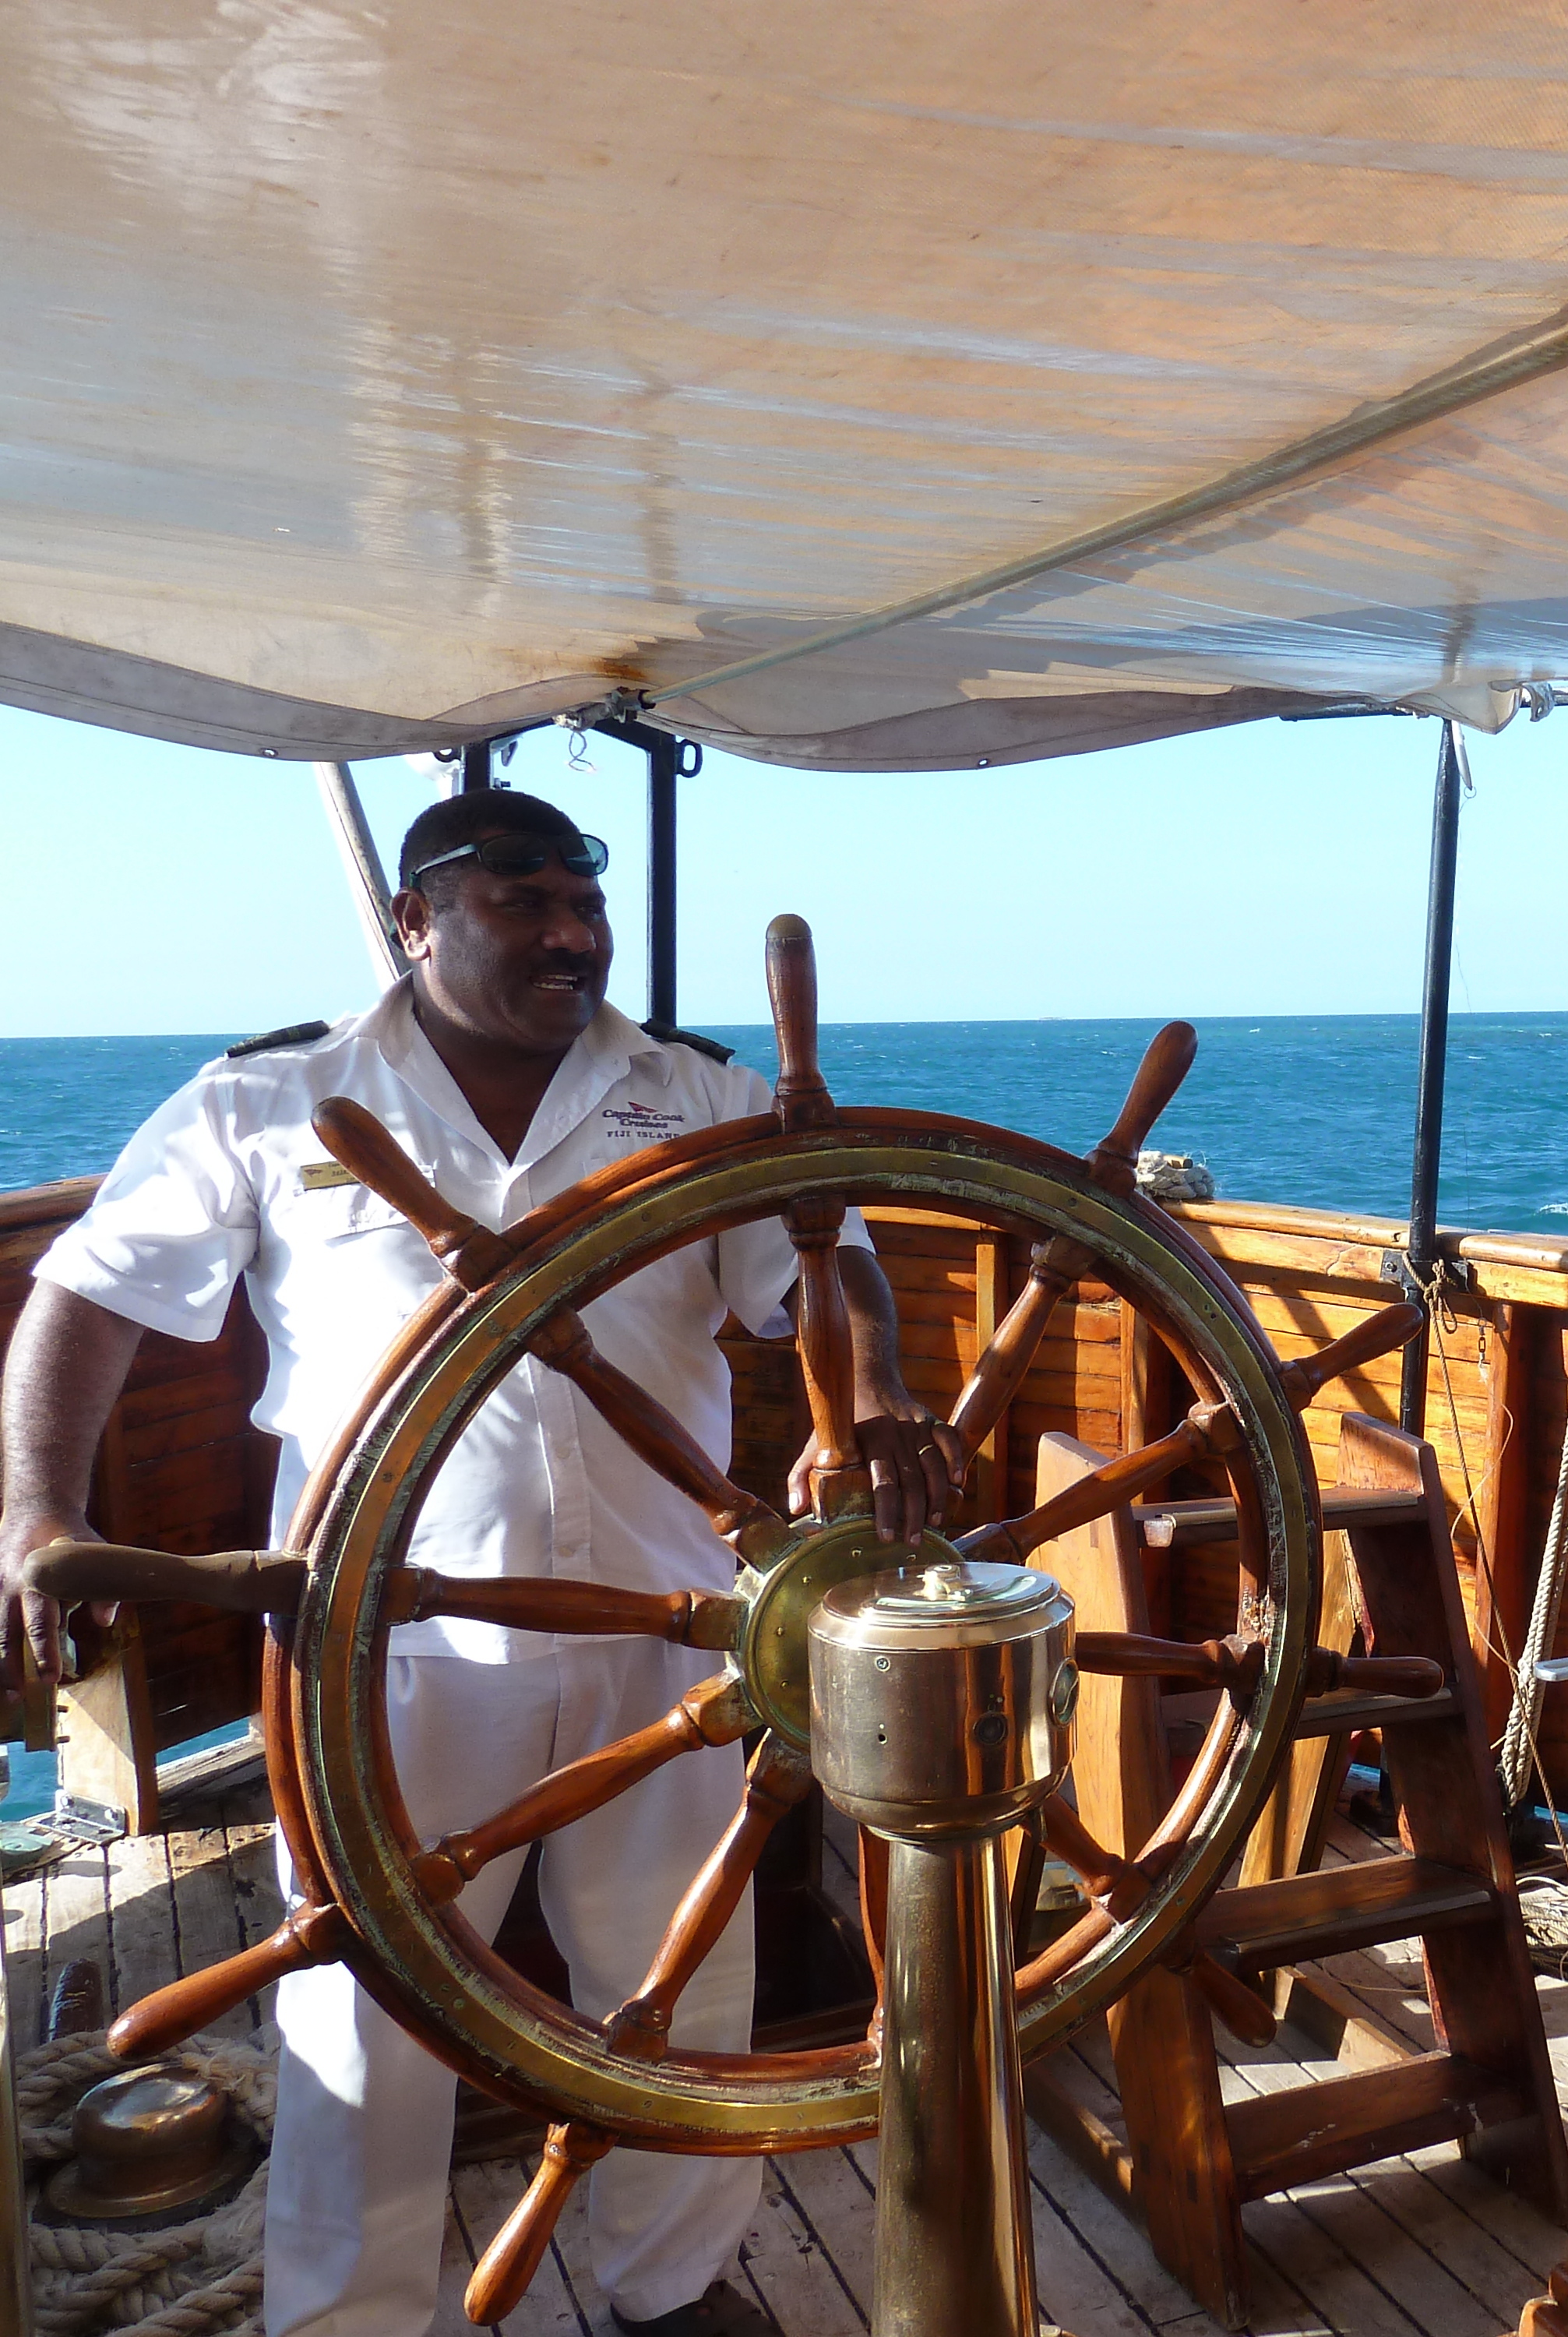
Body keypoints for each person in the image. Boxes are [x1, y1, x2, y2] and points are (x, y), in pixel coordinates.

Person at [0, 788, 964, 2337]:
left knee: (676, 1989)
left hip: (672, 1637)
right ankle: (348, 2319)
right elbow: (91, 1296)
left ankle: (673, 2291)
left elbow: (819, 1256)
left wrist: (880, 1393)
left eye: (586, 900)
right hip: (381, 1647)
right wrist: (37, 1515)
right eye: (523, 899)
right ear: (418, 920)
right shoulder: (271, 1099)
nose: (573, 930)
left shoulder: (693, 1096)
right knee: (364, 2020)